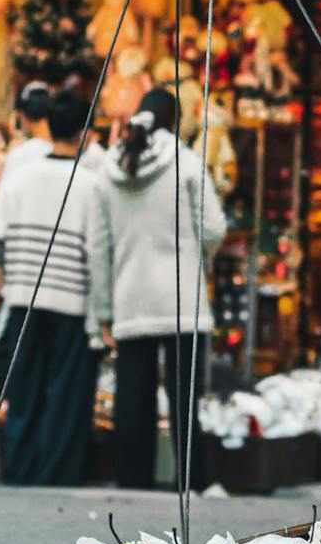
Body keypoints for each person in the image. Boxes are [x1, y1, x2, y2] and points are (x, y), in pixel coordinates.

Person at [86, 87, 226, 493]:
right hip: (183, 296)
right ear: (174, 120)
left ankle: (132, 479)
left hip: (131, 297)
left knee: (133, 397)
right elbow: (214, 228)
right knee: (185, 399)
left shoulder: (107, 170)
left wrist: (102, 312)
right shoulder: (186, 162)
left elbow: (100, 247)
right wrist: (200, 258)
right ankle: (191, 479)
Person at [0, 87, 100, 486]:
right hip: (72, 301)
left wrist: (13, 264)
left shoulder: (20, 178)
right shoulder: (91, 186)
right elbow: (98, 251)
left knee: (25, 385)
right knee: (65, 392)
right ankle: (58, 470)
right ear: (85, 133)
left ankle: (21, 465)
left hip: (23, 297)